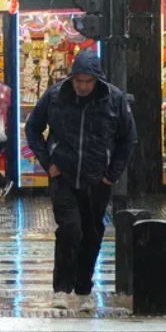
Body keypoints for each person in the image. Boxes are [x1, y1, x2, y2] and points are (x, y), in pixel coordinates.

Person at [25, 49, 137, 312]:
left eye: (88, 81)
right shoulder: (55, 96)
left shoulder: (114, 99)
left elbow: (128, 139)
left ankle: (84, 288)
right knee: (70, 229)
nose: (84, 86)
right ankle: (61, 288)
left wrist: (112, 175)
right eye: (79, 81)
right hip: (63, 176)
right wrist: (48, 163)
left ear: (97, 80)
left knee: (92, 234)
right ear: (72, 79)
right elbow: (33, 128)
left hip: (98, 180)